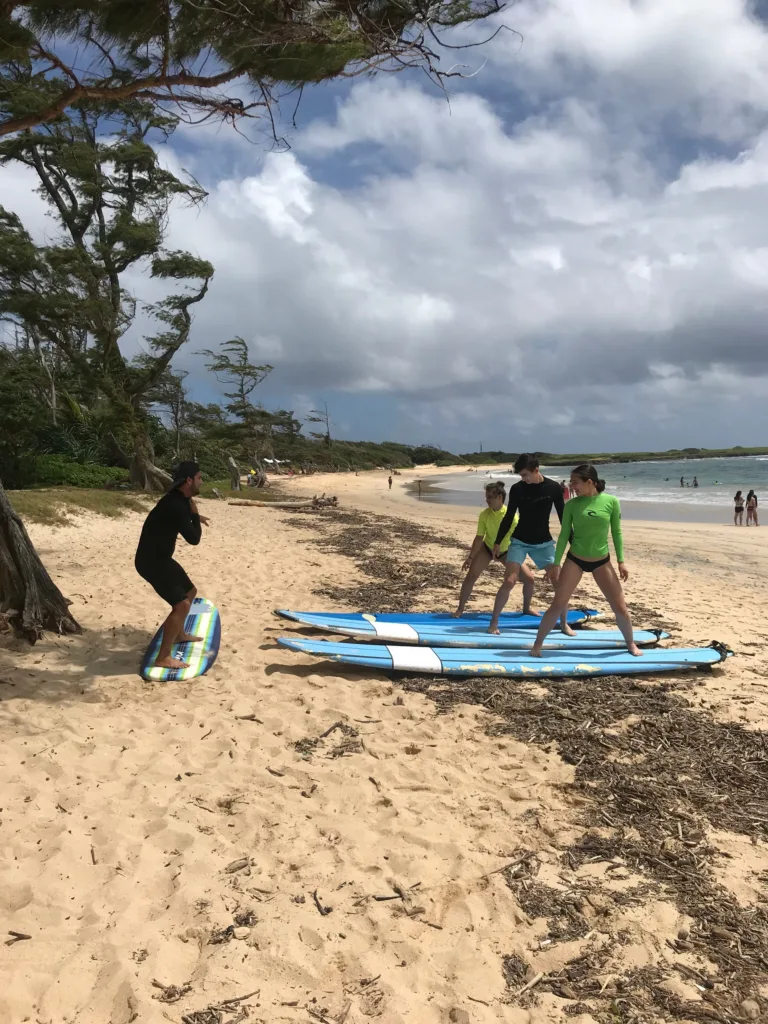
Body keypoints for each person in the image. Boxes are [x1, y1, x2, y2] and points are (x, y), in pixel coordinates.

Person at [529, 464, 641, 657]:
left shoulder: (611, 502)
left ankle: (630, 644)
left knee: (620, 607)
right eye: (571, 482)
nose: (572, 486)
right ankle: (537, 645)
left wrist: (621, 561)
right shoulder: (571, 505)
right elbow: (564, 535)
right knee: (558, 604)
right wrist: (556, 563)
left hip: (602, 561)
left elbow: (616, 532)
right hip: (576, 560)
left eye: (575, 482)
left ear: (590, 482)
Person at [134, 461, 210, 670]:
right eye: (199, 477)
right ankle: (163, 657)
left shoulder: (180, 499)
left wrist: (196, 516)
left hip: (161, 558)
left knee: (191, 592)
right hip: (151, 562)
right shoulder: (177, 505)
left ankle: (179, 635)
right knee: (182, 605)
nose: (201, 481)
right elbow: (194, 539)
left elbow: (182, 517)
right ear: (189, 480)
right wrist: (195, 516)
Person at [487, 454, 572, 635]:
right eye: (521, 475)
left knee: (559, 582)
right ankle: (493, 623)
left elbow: (564, 519)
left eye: (525, 474)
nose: (523, 479)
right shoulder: (518, 489)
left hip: (544, 543)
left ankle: (564, 624)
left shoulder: (553, 488)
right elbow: (509, 517)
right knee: (509, 580)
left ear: (536, 470)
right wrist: (497, 541)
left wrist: (573, 543)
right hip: (519, 541)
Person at [453, 481, 535, 617]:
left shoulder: (512, 517)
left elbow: (517, 542)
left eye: (490, 496)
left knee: (529, 579)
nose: (487, 500)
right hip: (487, 548)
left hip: (507, 551)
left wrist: (512, 565)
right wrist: (470, 557)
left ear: (500, 498)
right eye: (486, 496)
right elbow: (479, 537)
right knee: (471, 576)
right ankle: (460, 609)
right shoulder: (485, 514)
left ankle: (526, 608)